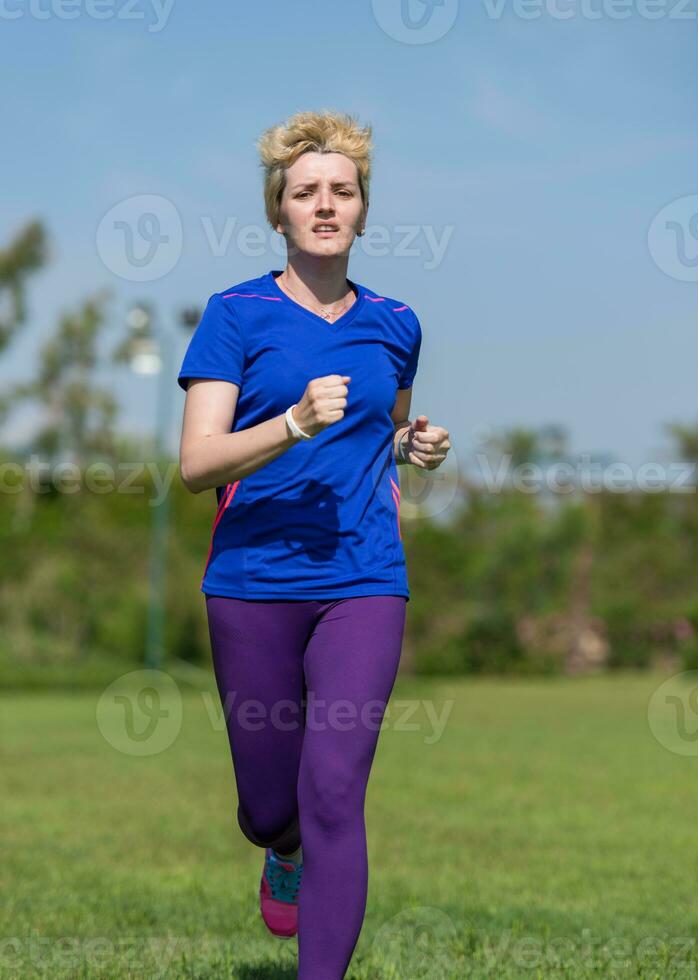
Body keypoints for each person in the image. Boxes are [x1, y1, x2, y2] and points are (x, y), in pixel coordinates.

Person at [177, 109, 451, 980]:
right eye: (306, 193)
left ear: (364, 209)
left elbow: (384, 428)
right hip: (252, 578)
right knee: (271, 803)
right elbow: (196, 462)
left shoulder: (398, 322)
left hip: (364, 578)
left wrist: (414, 445)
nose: (325, 205)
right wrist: (290, 422)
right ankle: (279, 847)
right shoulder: (236, 315)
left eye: (342, 191)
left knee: (334, 788)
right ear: (279, 211)